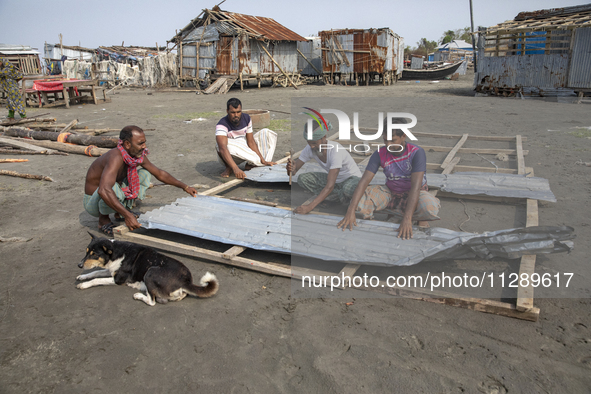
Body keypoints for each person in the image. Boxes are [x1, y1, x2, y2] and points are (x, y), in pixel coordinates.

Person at [337, 117, 440, 240]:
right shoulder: (380, 153)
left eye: (392, 140)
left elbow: (416, 187)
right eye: (385, 140)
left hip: (415, 192)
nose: (388, 145)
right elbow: (364, 181)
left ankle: (411, 217)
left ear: (404, 136)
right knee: (359, 204)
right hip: (391, 192)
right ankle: (403, 214)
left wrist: (407, 220)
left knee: (429, 207)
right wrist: (351, 210)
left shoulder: (416, 152)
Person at [84, 125, 197, 235]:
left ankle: (121, 212)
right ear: (127, 144)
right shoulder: (115, 157)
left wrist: (185, 187)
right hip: (94, 203)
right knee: (111, 187)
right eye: (140, 143)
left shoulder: (135, 155)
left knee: (144, 173)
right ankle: (103, 220)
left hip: (112, 191)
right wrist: (129, 216)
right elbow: (104, 190)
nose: (144, 146)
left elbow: (159, 173)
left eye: (144, 142)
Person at [287, 121, 361, 214]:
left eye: (314, 143)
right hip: (336, 183)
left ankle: (336, 197)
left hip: (352, 180)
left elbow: (330, 186)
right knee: (303, 179)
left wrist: (309, 207)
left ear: (324, 137)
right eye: (309, 143)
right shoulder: (309, 148)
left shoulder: (335, 150)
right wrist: (290, 168)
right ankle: (340, 197)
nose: (312, 146)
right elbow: (294, 172)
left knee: (347, 188)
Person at [216, 97, 277, 179]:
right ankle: (229, 167)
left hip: (244, 147)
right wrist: (236, 169)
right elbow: (222, 148)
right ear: (227, 111)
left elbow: (250, 142)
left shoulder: (247, 118)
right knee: (221, 145)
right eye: (233, 113)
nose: (236, 115)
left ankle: (252, 164)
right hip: (232, 154)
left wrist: (263, 160)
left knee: (266, 133)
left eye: (238, 112)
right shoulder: (222, 124)